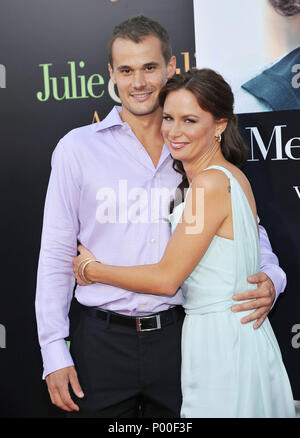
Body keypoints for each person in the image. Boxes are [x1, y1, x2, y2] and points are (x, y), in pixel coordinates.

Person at [35, 15, 287, 418]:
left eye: (150, 67)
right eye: (127, 70)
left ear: (171, 68)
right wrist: (53, 350)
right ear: (111, 76)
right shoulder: (76, 149)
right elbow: (55, 254)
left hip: (181, 339)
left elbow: (247, 230)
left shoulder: (193, 147)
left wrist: (272, 278)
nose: (139, 82)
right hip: (101, 342)